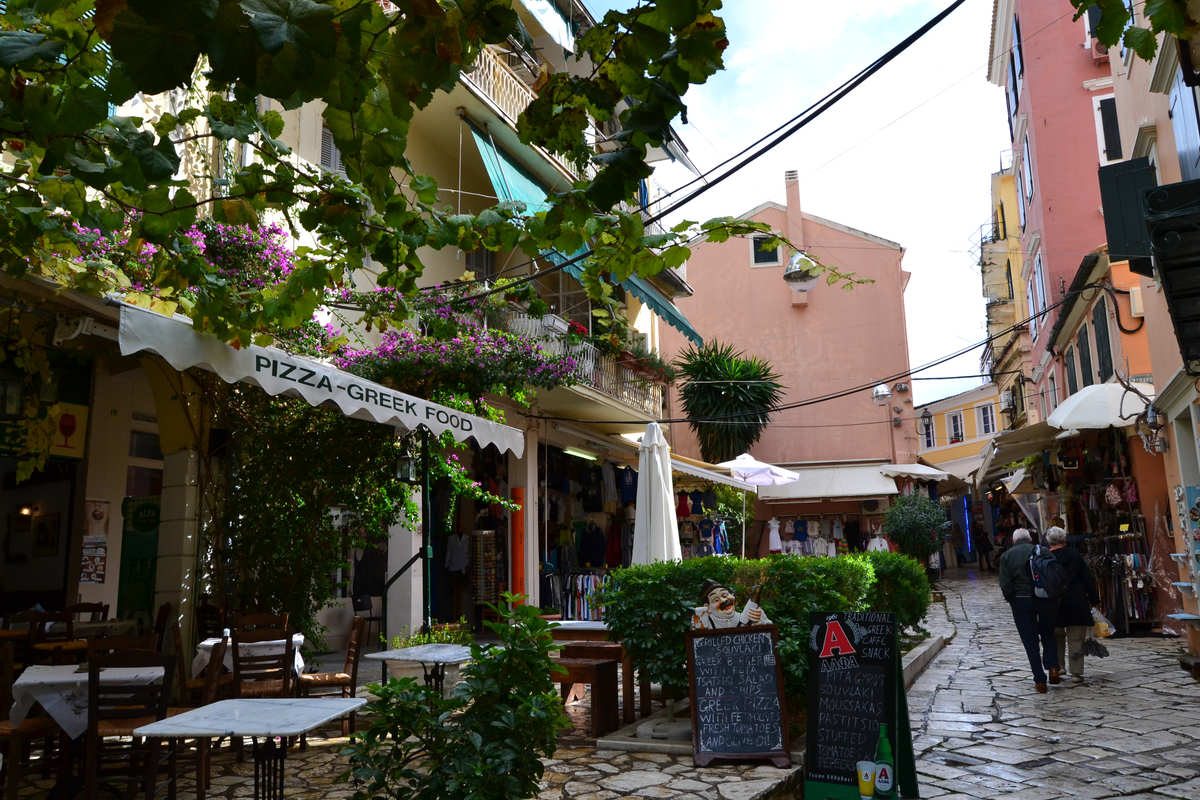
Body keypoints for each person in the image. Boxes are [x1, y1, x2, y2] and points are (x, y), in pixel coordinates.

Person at [998, 528, 1060, 693]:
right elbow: (1055, 574)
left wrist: (1013, 600)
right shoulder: (1044, 551)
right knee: (1048, 634)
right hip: (1045, 599)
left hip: (1021, 601)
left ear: (1014, 541)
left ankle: (1040, 680)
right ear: (1029, 538)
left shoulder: (1007, 556)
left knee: (1030, 641)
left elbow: (1005, 584)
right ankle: (1053, 667)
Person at [1047, 526, 1100, 681]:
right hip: (1076, 601)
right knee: (1076, 638)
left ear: (1049, 541)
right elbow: (1087, 579)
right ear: (1064, 539)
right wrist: (1094, 599)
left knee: (1056, 637)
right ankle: (1076, 672)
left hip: (1054, 602)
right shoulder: (1075, 555)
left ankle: (1059, 667)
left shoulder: (1047, 558)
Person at [691, 580, 771, 629]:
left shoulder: (747, 617)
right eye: (716, 599)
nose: (723, 600)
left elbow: (770, 638)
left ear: (732, 596)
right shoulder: (706, 623)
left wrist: (762, 622)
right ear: (707, 607)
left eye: (725, 595)